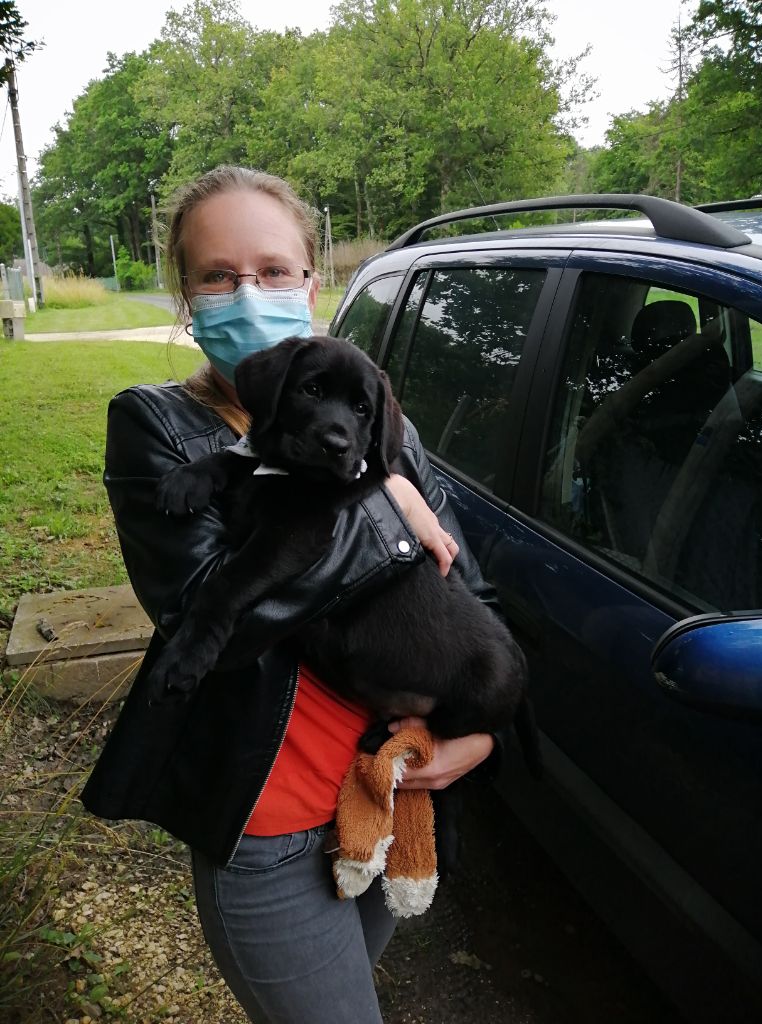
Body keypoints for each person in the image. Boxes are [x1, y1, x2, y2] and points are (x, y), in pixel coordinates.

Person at [81, 165, 502, 1024]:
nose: (250, 293)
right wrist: (386, 501)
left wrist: (480, 736)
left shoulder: (383, 418)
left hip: (385, 792)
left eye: (274, 271)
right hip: (270, 827)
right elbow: (215, 616)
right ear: (186, 294)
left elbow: (469, 584)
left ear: (311, 282)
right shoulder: (158, 428)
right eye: (219, 276)